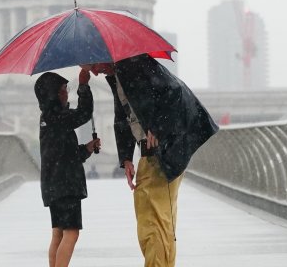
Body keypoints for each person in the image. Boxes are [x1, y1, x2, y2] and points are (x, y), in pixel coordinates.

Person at [83, 55, 218, 267]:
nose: (94, 73)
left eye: (92, 66)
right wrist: (126, 158)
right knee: (152, 214)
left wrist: (157, 127)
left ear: (101, 56)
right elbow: (123, 117)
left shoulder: (134, 64)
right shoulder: (118, 74)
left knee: (155, 218)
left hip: (168, 148)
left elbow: (173, 91)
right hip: (152, 152)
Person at [35, 68, 101, 267]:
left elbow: (64, 153)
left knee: (58, 233)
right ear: (54, 93)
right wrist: (83, 85)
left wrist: (87, 149)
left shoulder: (49, 117)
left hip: (53, 184)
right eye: (64, 89)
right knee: (71, 233)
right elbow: (83, 114)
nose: (66, 92)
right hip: (66, 186)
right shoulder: (57, 116)